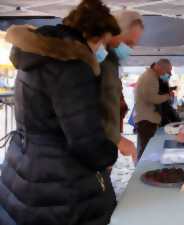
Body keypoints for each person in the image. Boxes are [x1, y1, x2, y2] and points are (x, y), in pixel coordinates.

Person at [0, 0, 121, 224]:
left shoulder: (37, 55)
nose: (101, 49)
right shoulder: (72, 66)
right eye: (102, 42)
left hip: (25, 163)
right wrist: (109, 154)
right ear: (92, 35)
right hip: (60, 181)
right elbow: (86, 140)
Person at [99, 10, 144, 162]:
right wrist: (116, 138)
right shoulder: (100, 60)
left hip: (105, 143)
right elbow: (87, 107)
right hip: (95, 146)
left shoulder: (110, 61)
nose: (130, 49)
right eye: (129, 43)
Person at [135, 59, 172, 159]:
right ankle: (141, 171)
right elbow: (151, 98)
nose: (167, 74)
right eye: (167, 71)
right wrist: (167, 96)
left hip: (147, 119)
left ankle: (142, 169)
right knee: (147, 149)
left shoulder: (151, 76)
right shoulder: (150, 77)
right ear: (160, 67)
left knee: (146, 148)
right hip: (147, 120)